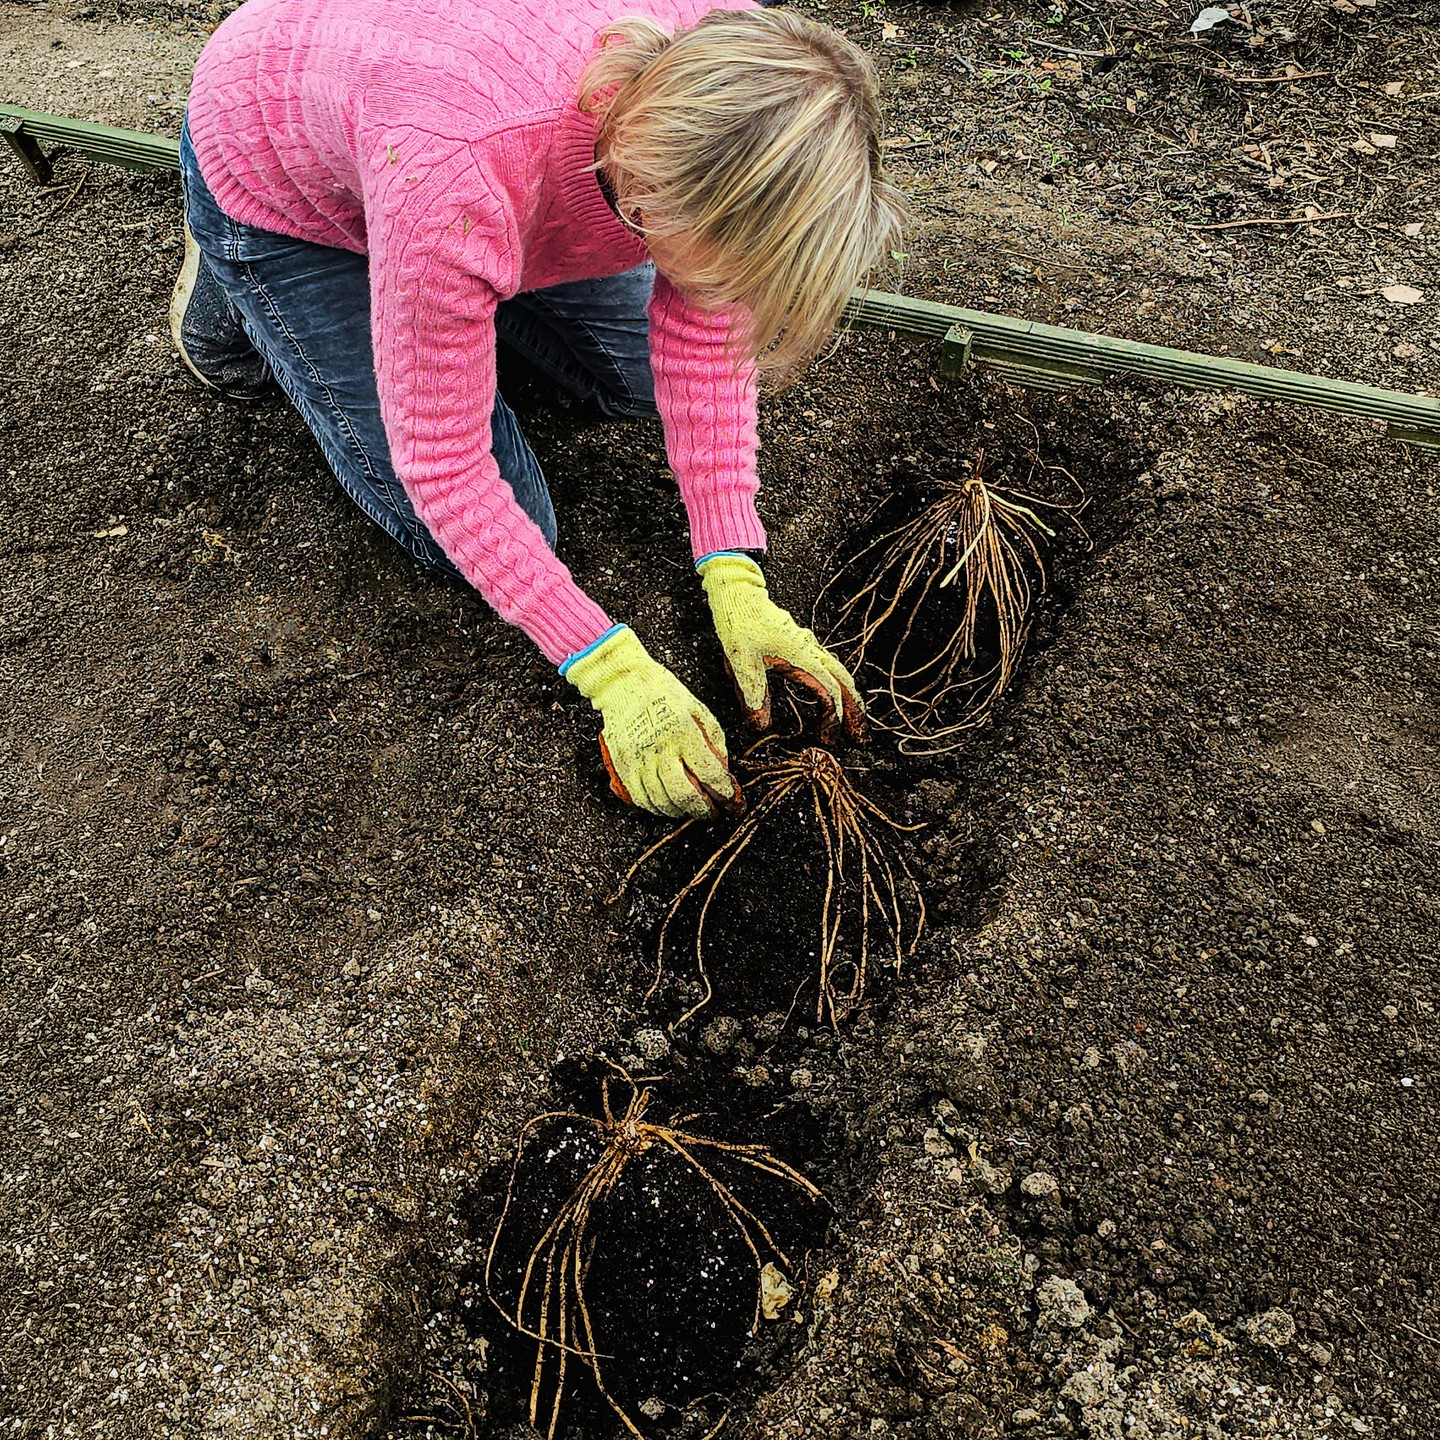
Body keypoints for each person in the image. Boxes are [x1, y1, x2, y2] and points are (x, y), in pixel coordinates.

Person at [172, 0, 905, 819]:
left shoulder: (754, 74)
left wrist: (733, 563)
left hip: (453, 168)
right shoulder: (458, 167)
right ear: (653, 185)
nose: (727, 293)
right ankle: (232, 288)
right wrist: (612, 671)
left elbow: (708, 318)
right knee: (493, 529)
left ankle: (454, 288)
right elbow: (444, 469)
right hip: (283, 166)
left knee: (634, 381)